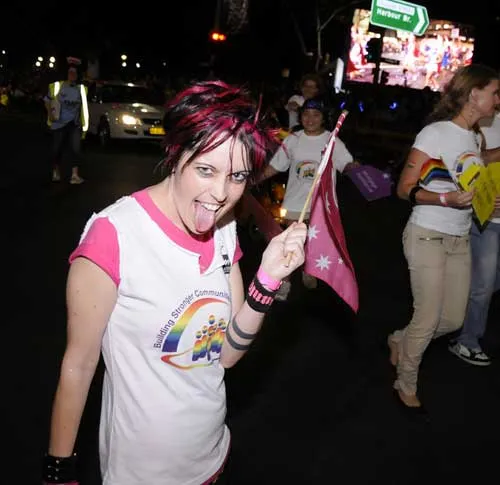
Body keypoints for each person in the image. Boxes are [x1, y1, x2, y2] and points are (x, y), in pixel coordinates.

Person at [43, 80, 307, 485]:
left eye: (237, 176)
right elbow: (78, 366)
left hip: (211, 454)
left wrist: (267, 279)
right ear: (175, 153)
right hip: (141, 472)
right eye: (205, 170)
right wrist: (59, 471)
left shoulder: (224, 228)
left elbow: (226, 356)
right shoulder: (114, 235)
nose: (220, 194)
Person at [389, 64, 500, 412]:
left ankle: (401, 339)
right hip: (427, 235)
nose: (498, 100)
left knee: (452, 319)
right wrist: (445, 199)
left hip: (459, 238)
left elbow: (467, 182)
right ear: (474, 95)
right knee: (427, 318)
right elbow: (403, 189)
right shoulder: (434, 134)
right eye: (495, 93)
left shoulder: (475, 138)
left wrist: (487, 200)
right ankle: (406, 380)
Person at [258, 98, 358, 300]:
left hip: (321, 205)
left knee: (313, 243)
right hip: (295, 203)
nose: (310, 119)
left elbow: (346, 165)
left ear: (323, 118)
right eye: (306, 114)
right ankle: (283, 284)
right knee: (289, 244)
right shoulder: (293, 139)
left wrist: (359, 170)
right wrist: (251, 179)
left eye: (316, 115)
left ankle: (309, 269)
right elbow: (276, 166)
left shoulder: (332, 141)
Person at [449, 107, 500, 366]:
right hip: (488, 218)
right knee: (483, 285)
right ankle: (467, 341)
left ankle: (454, 316)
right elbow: (475, 160)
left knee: (488, 283)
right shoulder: (485, 120)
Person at [44, 56, 88, 184]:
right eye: (70, 73)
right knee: (56, 149)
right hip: (59, 123)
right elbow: (47, 100)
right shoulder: (57, 86)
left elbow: (84, 107)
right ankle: (56, 171)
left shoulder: (81, 89)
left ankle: (74, 175)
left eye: (75, 73)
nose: (72, 75)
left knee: (76, 149)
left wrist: (82, 124)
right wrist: (50, 114)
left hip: (74, 124)